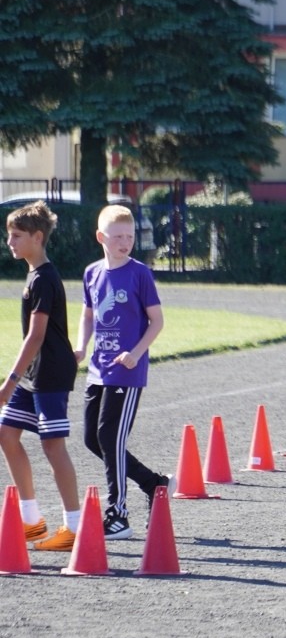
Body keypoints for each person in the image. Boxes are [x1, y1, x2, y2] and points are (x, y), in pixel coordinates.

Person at [74, 205, 173, 540]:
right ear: (101, 237)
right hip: (98, 370)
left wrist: (135, 353)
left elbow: (157, 321)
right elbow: (87, 316)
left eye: (129, 237)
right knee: (93, 439)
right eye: (117, 237)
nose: (124, 242)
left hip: (127, 372)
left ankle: (118, 514)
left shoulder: (139, 273)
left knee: (111, 438)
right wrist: (81, 347)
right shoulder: (92, 273)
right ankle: (153, 482)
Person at [0, 201, 81, 551]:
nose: (10, 242)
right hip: (35, 372)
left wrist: (10, 380)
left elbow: (36, 335)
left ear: (37, 237)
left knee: (52, 445)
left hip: (49, 373)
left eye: (16, 236)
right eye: (8, 236)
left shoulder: (45, 278)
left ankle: (75, 527)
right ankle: (31, 521)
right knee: (6, 433)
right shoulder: (34, 276)